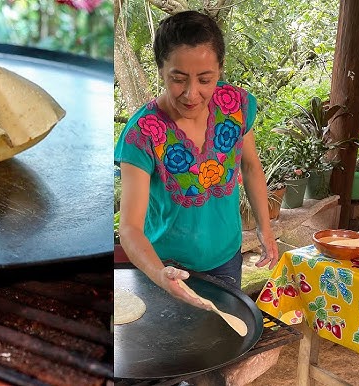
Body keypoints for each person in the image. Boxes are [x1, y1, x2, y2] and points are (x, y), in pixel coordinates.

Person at [115, 10, 279, 310]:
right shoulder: (142, 133)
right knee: (171, 353)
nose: (192, 94)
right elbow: (130, 229)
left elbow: (251, 165)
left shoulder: (235, 106)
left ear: (220, 69)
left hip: (226, 259)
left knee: (222, 345)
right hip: (166, 266)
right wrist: (160, 275)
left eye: (205, 79)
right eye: (178, 79)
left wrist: (264, 228)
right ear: (161, 70)